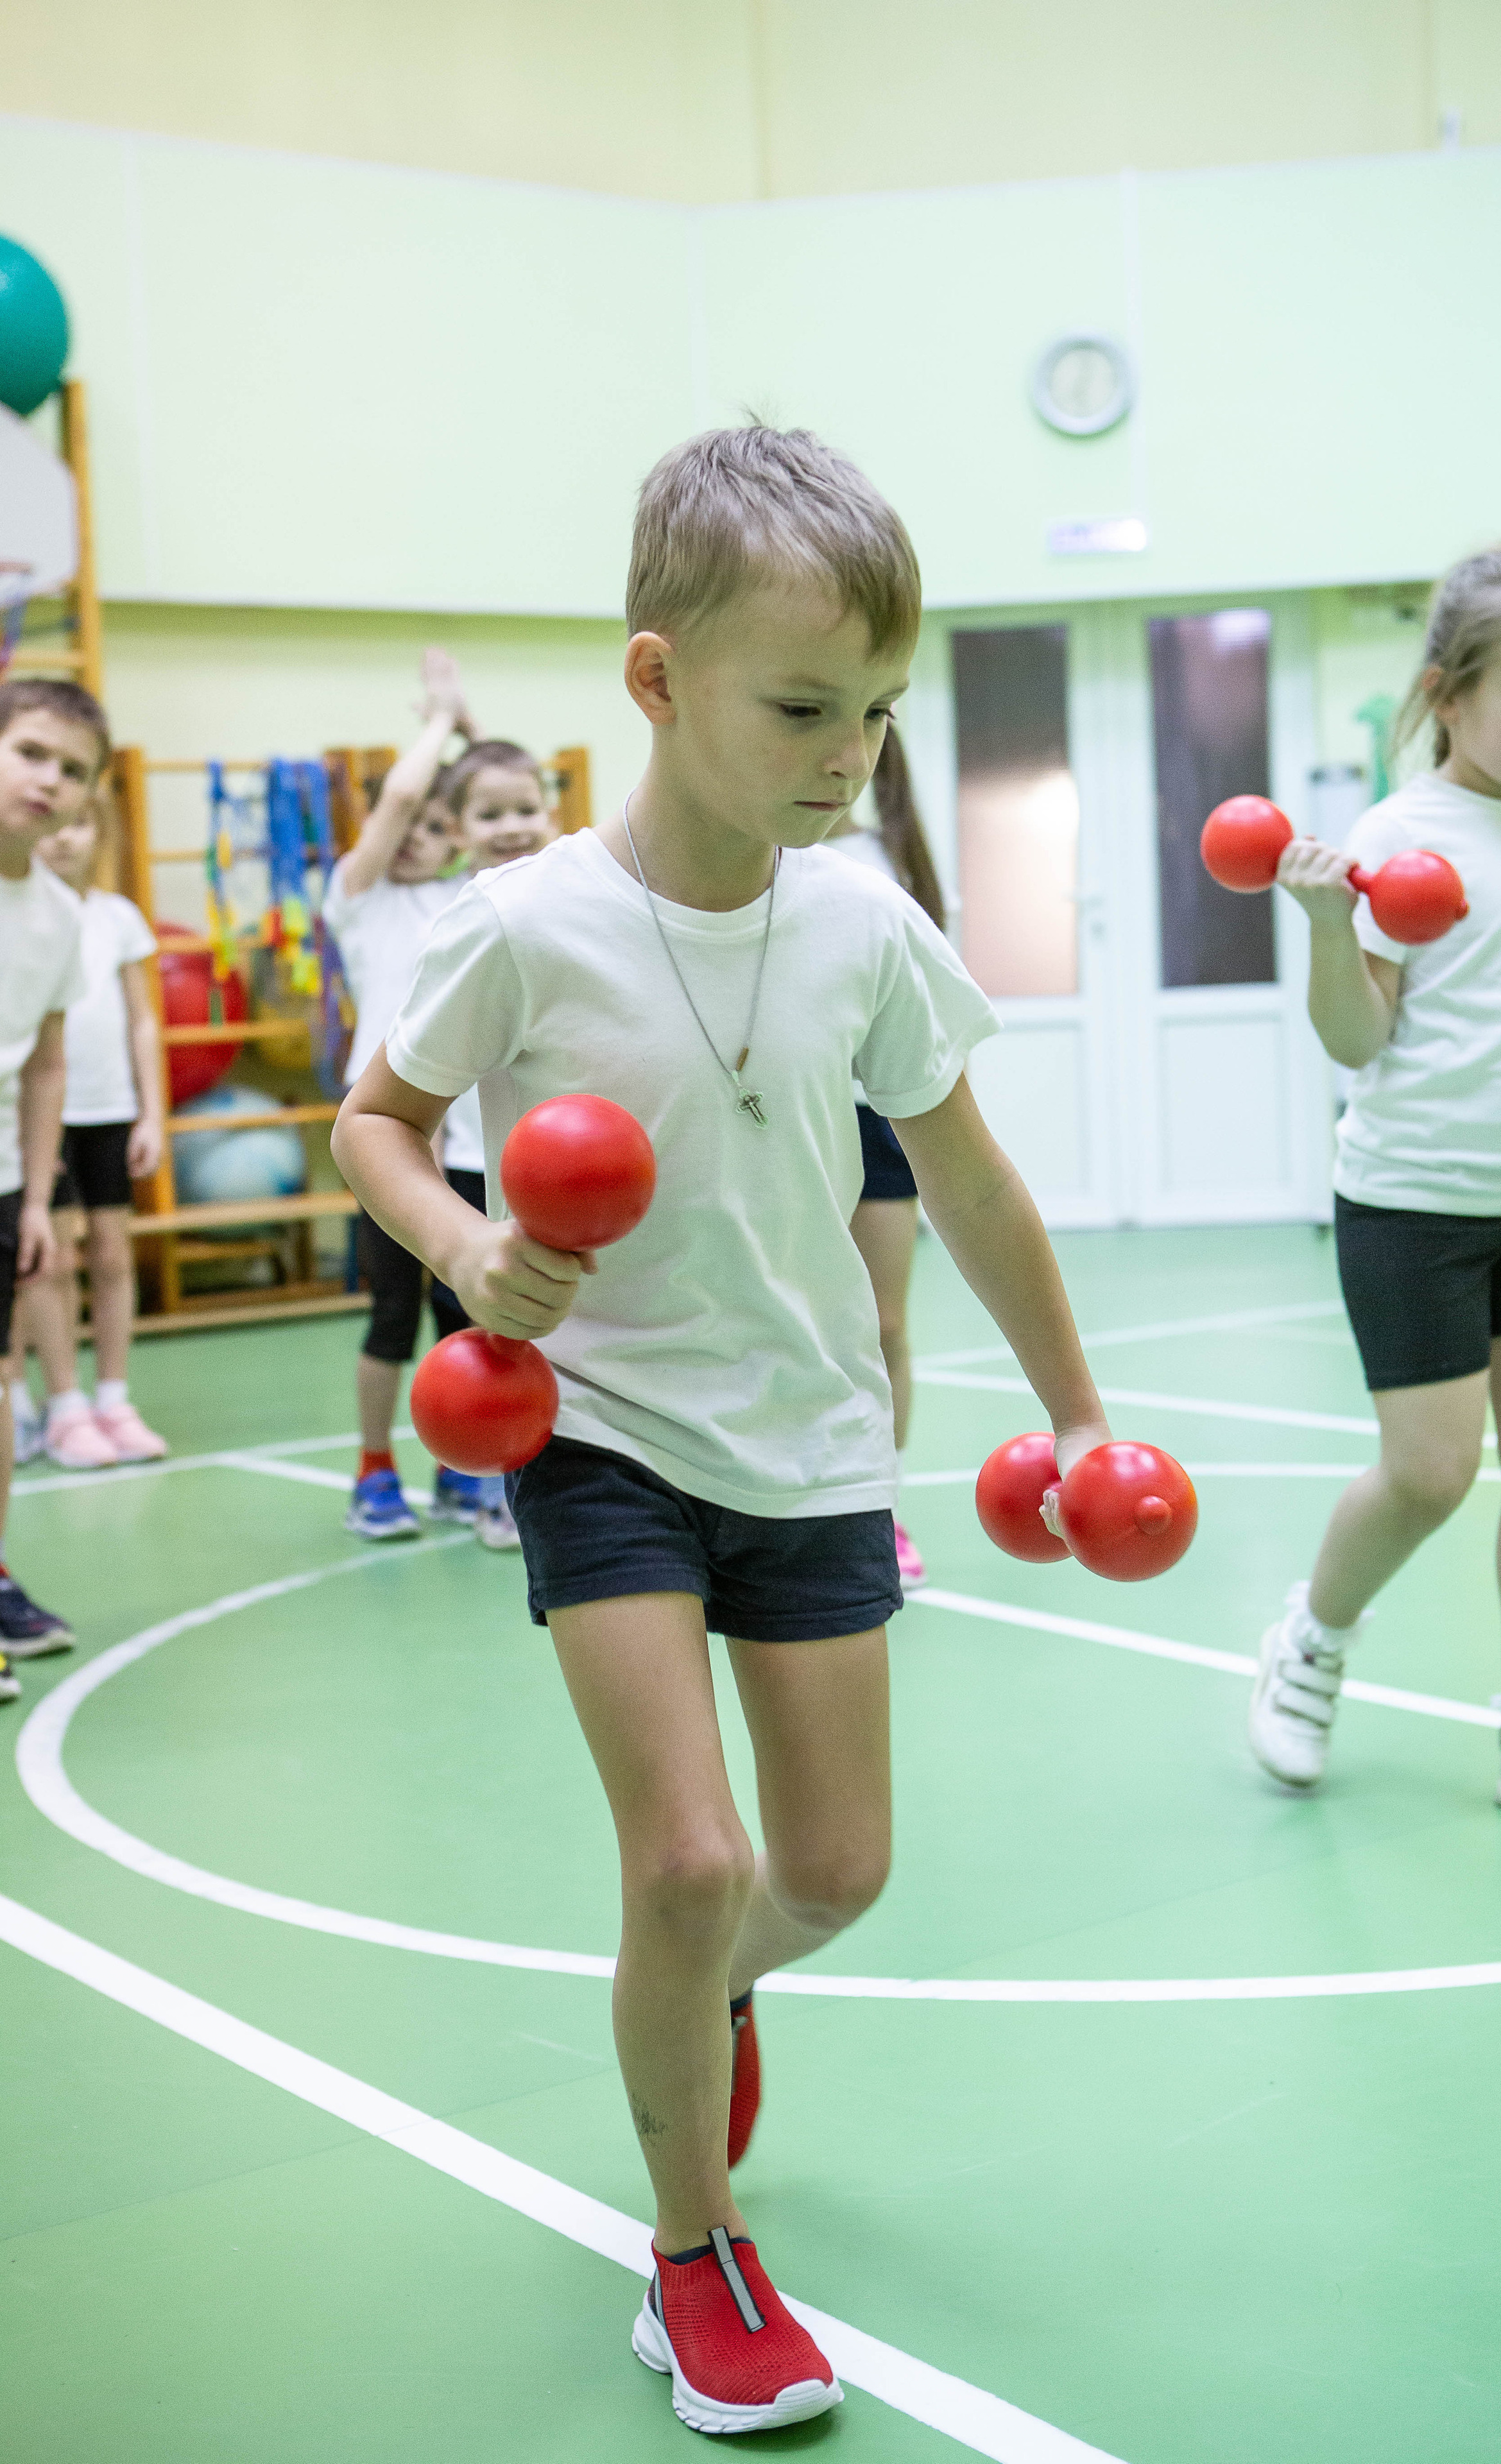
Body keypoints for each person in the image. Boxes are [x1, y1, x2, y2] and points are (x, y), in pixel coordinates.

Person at [334, 424, 1113, 2435]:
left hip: (812, 1440)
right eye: (799, 705)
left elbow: (972, 1181)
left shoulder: (864, 923)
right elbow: (378, 1121)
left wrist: (1078, 1411)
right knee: (685, 1860)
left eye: (872, 710)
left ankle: (721, 1989)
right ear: (654, 676)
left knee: (829, 1867)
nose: (844, 750)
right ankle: (694, 2252)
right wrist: (459, 1239)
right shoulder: (523, 921)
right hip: (597, 1433)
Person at [1249, 547, 1501, 1816]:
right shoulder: (1395, 836)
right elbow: (1357, 1039)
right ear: (1446, 692)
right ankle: (1308, 1638)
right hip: (1410, 1204)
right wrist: (1323, 927)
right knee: (1425, 1473)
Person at [322, 650, 489, 1541]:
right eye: (407, 822)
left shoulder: (477, 898)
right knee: (391, 1314)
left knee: (467, 1307)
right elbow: (389, 810)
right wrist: (442, 720)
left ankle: (470, 1468)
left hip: (469, 1144)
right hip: (387, 1137)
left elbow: (498, 797)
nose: (416, 834)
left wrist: (471, 742)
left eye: (436, 822)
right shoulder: (357, 896)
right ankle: (375, 1468)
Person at [10, 789, 167, 1468]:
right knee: (48, 1263)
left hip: (107, 1111)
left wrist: (151, 1111)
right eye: (58, 827)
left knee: (110, 1256)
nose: (66, 840)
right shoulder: (28, 914)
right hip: (43, 1118)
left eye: (82, 827)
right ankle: (60, 1403)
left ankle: (111, 1396)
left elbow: (142, 1019)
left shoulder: (117, 917)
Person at [824, 722, 947, 1584]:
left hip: (877, 1119)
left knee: (883, 1322)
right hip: (786, 1117)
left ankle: (880, 1505)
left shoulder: (880, 858)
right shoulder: (756, 852)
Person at [0, 679, 106, 1675]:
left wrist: (35, 1197)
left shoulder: (62, 915)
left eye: (72, 771)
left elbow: (44, 1063)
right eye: (32, 751)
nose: (50, 780)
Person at [438, 734, 560, 1548]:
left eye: (526, 808)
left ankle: (534, 1470)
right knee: (484, 1329)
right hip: (466, 1164)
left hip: (548, 1171)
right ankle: (490, 1483)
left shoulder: (561, 903)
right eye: (490, 813)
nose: (512, 824)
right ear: (456, 830)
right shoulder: (462, 917)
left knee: (551, 1321)